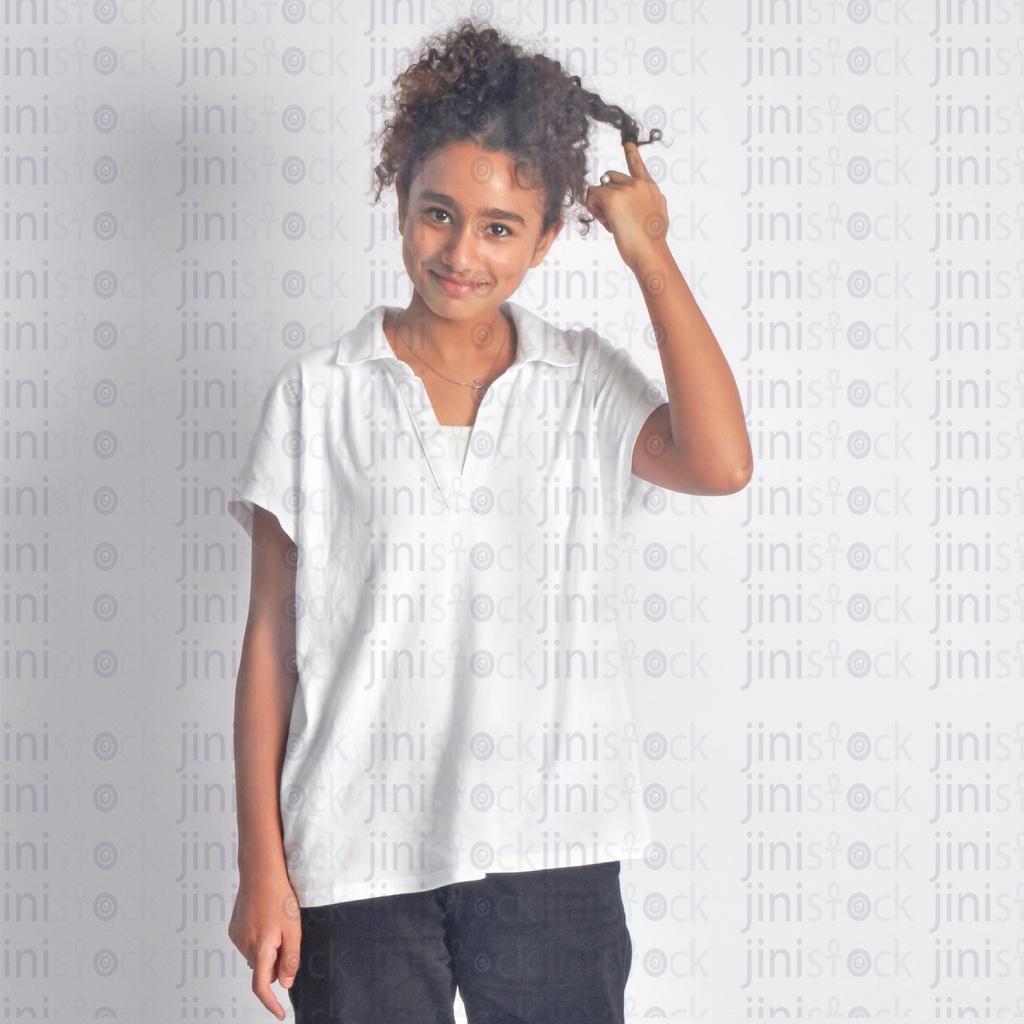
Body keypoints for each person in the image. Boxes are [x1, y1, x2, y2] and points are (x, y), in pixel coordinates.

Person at [227, 19, 751, 1024]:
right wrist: (263, 863)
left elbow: (720, 463)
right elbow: (269, 641)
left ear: (548, 238)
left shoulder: (580, 384)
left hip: (551, 851)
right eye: (438, 214)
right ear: (399, 205)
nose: (461, 252)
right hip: (357, 852)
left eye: (500, 227)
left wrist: (647, 251)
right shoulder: (317, 396)